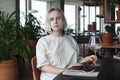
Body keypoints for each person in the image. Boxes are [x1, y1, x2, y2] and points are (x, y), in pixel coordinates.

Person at [36, 7, 97, 80]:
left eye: (58, 18)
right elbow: (43, 67)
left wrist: (86, 59)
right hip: (53, 77)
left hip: (71, 75)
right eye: (51, 19)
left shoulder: (71, 40)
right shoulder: (43, 41)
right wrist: (65, 71)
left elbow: (76, 60)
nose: (55, 22)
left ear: (63, 21)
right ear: (49, 23)